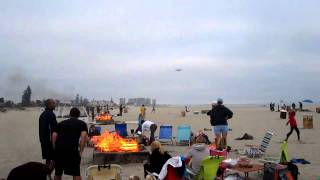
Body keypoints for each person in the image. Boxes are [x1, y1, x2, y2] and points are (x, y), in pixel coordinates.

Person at [52, 107, 88, 180]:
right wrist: (81, 151)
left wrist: (54, 148)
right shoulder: (82, 123)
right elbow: (83, 137)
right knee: (76, 172)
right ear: (79, 115)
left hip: (59, 149)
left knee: (58, 172)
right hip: (72, 149)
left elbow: (54, 135)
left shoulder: (61, 123)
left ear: (69, 114)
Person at [39, 99, 57, 178]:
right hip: (50, 141)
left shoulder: (42, 114)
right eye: (53, 103)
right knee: (56, 158)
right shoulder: (51, 114)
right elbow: (54, 129)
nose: (55, 105)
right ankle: (46, 174)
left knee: (48, 158)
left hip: (43, 140)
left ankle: (48, 176)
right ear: (49, 105)